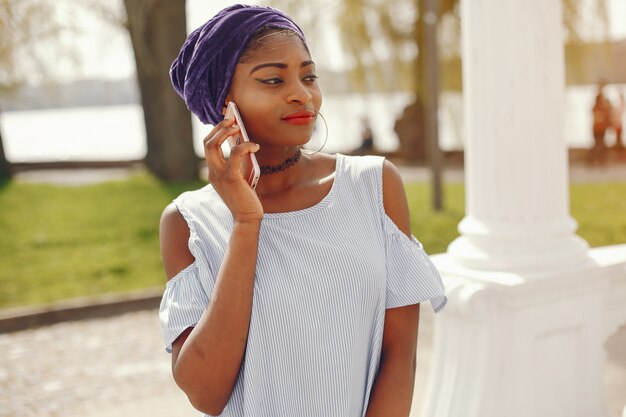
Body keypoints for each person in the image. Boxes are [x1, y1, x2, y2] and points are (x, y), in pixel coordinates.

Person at [158, 4, 447, 417]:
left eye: (308, 76)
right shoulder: (187, 222)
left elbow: (399, 355)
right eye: (274, 79)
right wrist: (245, 222)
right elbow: (206, 393)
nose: (302, 93)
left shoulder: (374, 185)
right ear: (225, 105)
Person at [589, 81, 612, 165]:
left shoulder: (603, 106)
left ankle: (601, 161)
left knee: (601, 144)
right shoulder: (597, 106)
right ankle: (596, 160)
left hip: (601, 127)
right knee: (598, 144)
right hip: (597, 128)